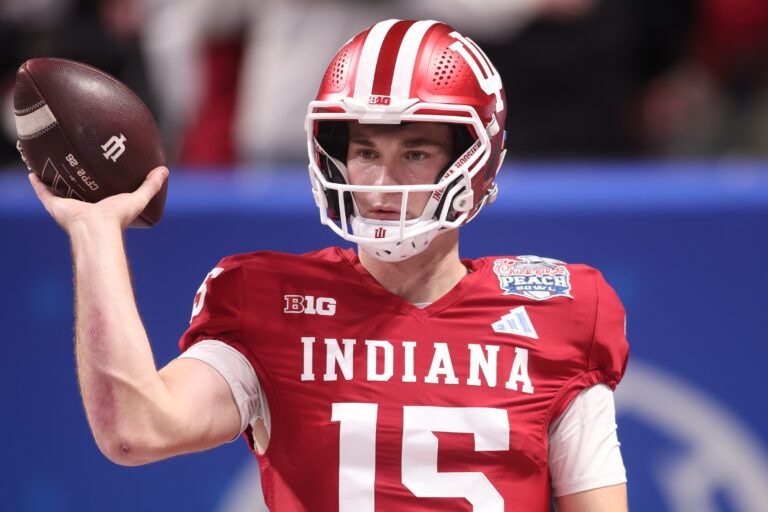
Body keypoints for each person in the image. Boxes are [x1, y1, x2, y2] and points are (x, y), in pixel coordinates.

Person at [28, 19, 629, 512]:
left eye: (415, 152)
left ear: (473, 164)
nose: (382, 182)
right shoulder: (264, 299)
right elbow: (137, 429)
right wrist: (95, 232)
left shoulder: (561, 312)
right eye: (365, 152)